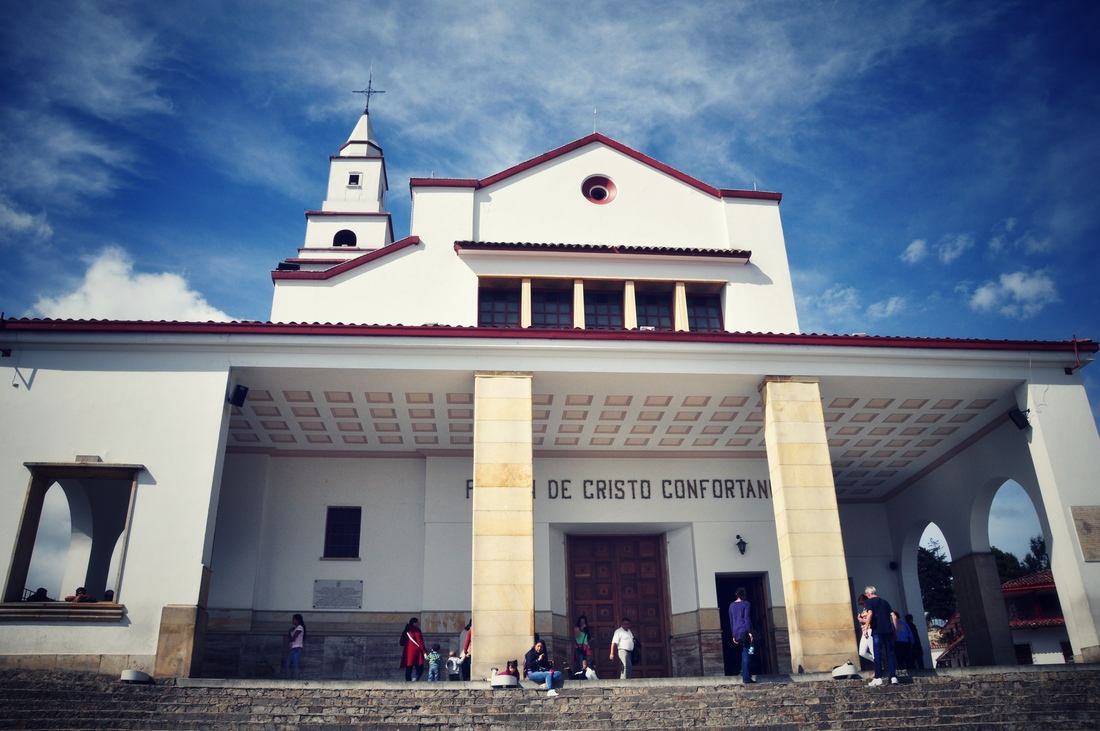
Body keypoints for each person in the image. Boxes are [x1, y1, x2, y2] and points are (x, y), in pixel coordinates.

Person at [863, 585, 898, 686]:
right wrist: (895, 630)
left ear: (869, 594)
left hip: (877, 631)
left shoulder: (869, 602)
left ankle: (878, 677)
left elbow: (870, 614)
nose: (867, 596)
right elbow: (894, 616)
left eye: (866, 595)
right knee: (890, 654)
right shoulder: (885, 602)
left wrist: (865, 627)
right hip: (888, 631)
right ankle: (893, 677)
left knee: (877, 653)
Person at [729, 587, 756, 684]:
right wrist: (750, 632)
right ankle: (746, 678)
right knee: (747, 652)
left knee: (744, 651)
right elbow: (746, 618)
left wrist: (733, 634)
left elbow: (731, 621)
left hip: (736, 632)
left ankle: (742, 671)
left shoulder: (731, 605)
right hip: (745, 630)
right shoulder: (746, 604)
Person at [399, 617, 426, 681]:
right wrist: (424, 652)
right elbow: (420, 641)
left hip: (408, 651)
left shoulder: (406, 629)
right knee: (420, 668)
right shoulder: (416, 630)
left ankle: (408, 681)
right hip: (416, 651)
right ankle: (416, 679)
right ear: (414, 623)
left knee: (409, 667)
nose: (419, 623)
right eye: (417, 622)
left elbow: (401, 642)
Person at [287, 613, 305, 679]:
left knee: (295, 665)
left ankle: (296, 681)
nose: (292, 621)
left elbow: (293, 638)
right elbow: (291, 638)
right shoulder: (295, 628)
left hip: (297, 649)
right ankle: (290, 680)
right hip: (293, 648)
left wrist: (289, 633)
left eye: (293, 619)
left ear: (297, 620)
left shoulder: (300, 627)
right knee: (288, 665)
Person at [857, 595, 874, 665]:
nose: (862, 605)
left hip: (870, 630)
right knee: (862, 652)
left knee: (872, 650)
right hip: (864, 630)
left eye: (862, 603)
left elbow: (870, 619)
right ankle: (878, 662)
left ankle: (879, 668)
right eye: (861, 604)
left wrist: (861, 620)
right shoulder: (865, 609)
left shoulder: (870, 608)